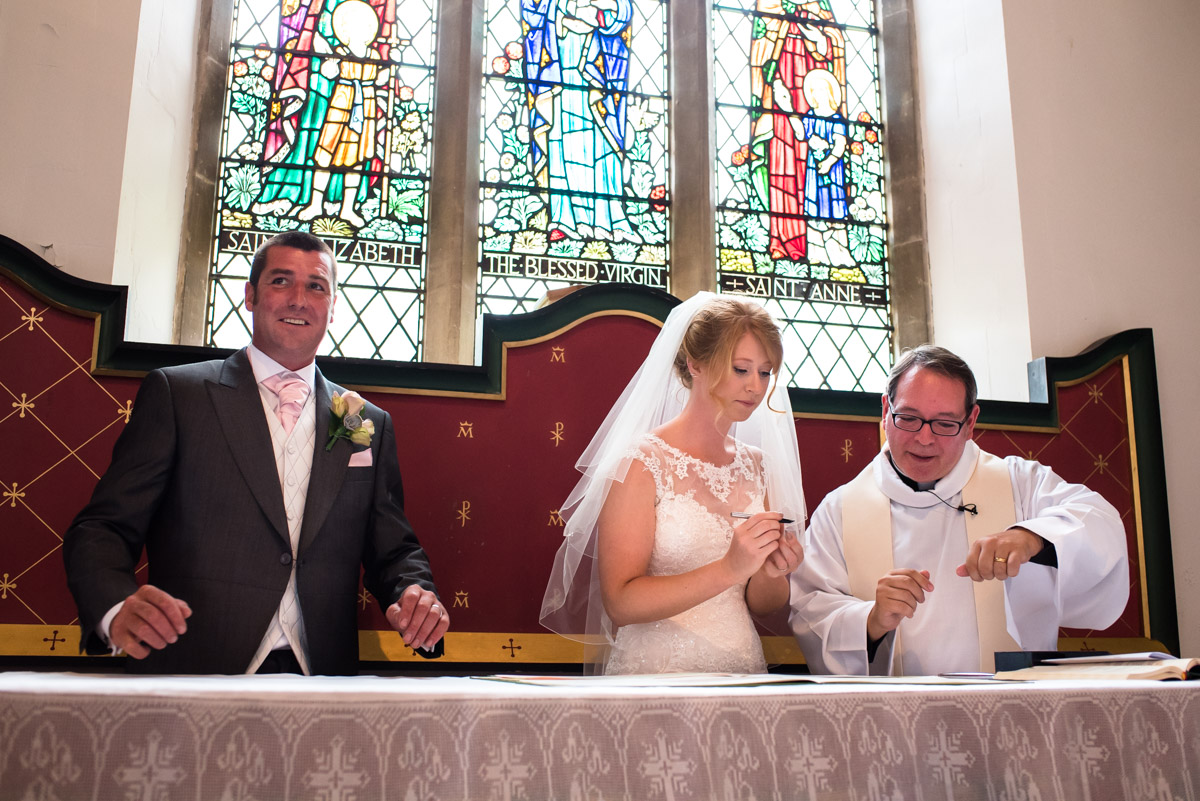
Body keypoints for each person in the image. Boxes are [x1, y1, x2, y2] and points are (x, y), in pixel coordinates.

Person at [63, 231, 448, 675]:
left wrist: (415, 594)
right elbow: (102, 527)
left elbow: (392, 547)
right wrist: (115, 606)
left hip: (321, 675)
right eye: (281, 281)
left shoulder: (358, 420)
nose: (299, 300)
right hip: (194, 669)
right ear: (250, 295)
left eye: (317, 286)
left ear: (333, 307)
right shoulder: (179, 394)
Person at [789, 345, 1129, 675]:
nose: (924, 439)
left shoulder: (1020, 484)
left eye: (945, 424)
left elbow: (1101, 523)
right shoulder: (840, 510)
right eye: (909, 418)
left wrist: (1031, 538)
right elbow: (810, 612)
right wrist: (871, 619)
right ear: (885, 412)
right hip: (896, 723)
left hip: (1012, 715)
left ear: (970, 423)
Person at [541, 292, 807, 674]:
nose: (755, 386)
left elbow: (763, 604)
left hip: (741, 667)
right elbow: (619, 601)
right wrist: (729, 568)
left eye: (765, 372)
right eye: (741, 369)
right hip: (657, 671)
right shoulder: (643, 462)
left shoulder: (758, 466)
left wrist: (771, 571)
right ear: (695, 364)